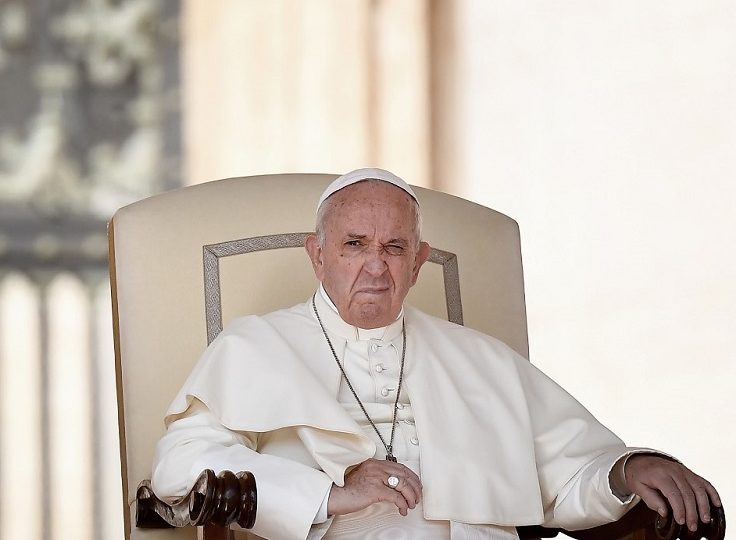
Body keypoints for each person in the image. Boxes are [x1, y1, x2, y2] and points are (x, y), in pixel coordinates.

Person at [151, 168, 721, 539]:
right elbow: (179, 468)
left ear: (418, 261)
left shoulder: (481, 360)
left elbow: (567, 476)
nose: (376, 266)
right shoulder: (254, 347)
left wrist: (627, 471)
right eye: (354, 245)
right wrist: (330, 494)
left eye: (394, 248)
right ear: (316, 254)